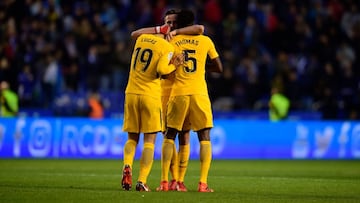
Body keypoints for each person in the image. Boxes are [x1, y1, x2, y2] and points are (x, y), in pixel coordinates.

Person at [130, 9, 204, 192]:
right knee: (168, 137)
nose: (169, 25)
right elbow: (135, 34)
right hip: (163, 92)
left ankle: (178, 180)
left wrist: (176, 32)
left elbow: (200, 28)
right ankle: (168, 180)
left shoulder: (180, 39)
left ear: (179, 24)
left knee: (183, 136)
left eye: (172, 22)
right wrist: (159, 29)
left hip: (178, 91)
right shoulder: (160, 41)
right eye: (167, 22)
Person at [157, 9, 223, 192]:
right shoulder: (206, 40)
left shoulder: (171, 41)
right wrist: (201, 66)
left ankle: (165, 181)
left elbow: (164, 68)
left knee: (169, 136)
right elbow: (219, 67)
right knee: (204, 137)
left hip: (177, 93)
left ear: (178, 24)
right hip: (199, 93)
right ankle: (202, 183)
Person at [121, 31, 183, 192]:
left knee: (132, 138)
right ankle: (141, 181)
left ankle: (127, 164)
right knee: (149, 141)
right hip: (150, 96)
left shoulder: (142, 39)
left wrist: (158, 29)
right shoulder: (166, 46)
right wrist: (175, 64)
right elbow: (163, 69)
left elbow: (136, 32)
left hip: (131, 93)